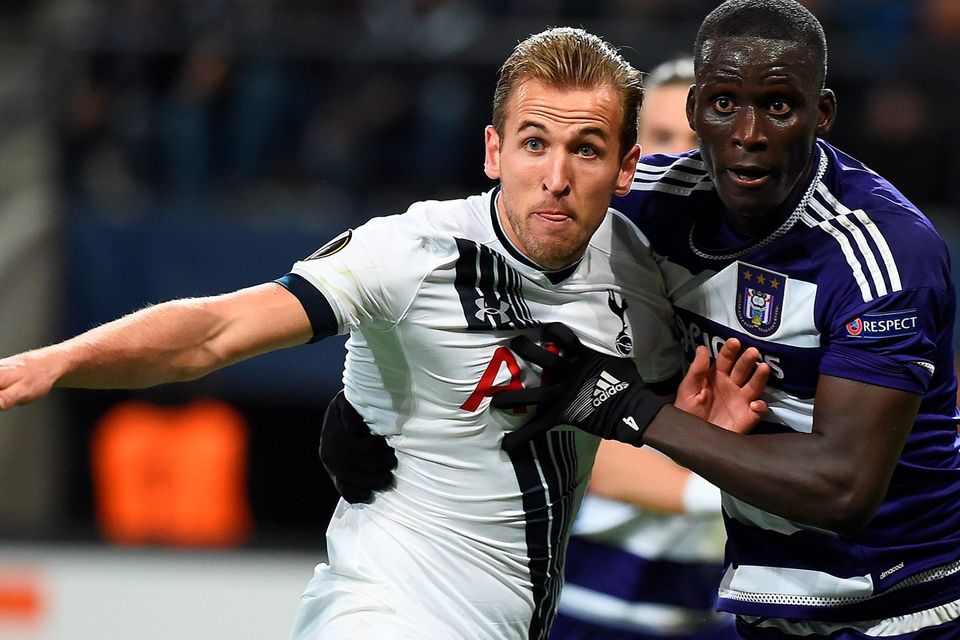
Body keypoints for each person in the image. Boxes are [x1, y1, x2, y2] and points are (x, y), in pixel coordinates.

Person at [0, 27, 770, 640]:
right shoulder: (411, 254)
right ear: (493, 151)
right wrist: (57, 360)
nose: (557, 175)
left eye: (586, 149)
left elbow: (646, 407)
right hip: (386, 613)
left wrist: (698, 439)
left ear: (626, 167)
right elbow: (213, 330)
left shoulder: (643, 275)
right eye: (534, 143)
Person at [321, 1, 960, 638]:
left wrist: (633, 412)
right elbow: (482, 246)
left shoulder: (885, 254)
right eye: (722, 105)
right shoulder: (648, 207)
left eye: (779, 106)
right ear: (693, 111)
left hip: (906, 610)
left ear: (822, 115)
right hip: (765, 606)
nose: (749, 134)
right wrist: (370, 396)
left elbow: (845, 491)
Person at [548, 55, 737, 640]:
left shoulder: (761, 283)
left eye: (695, 141)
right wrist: (754, 489)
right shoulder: (571, 276)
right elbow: (586, 450)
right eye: (660, 136)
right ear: (629, 155)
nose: (677, 158)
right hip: (582, 601)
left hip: (712, 609)